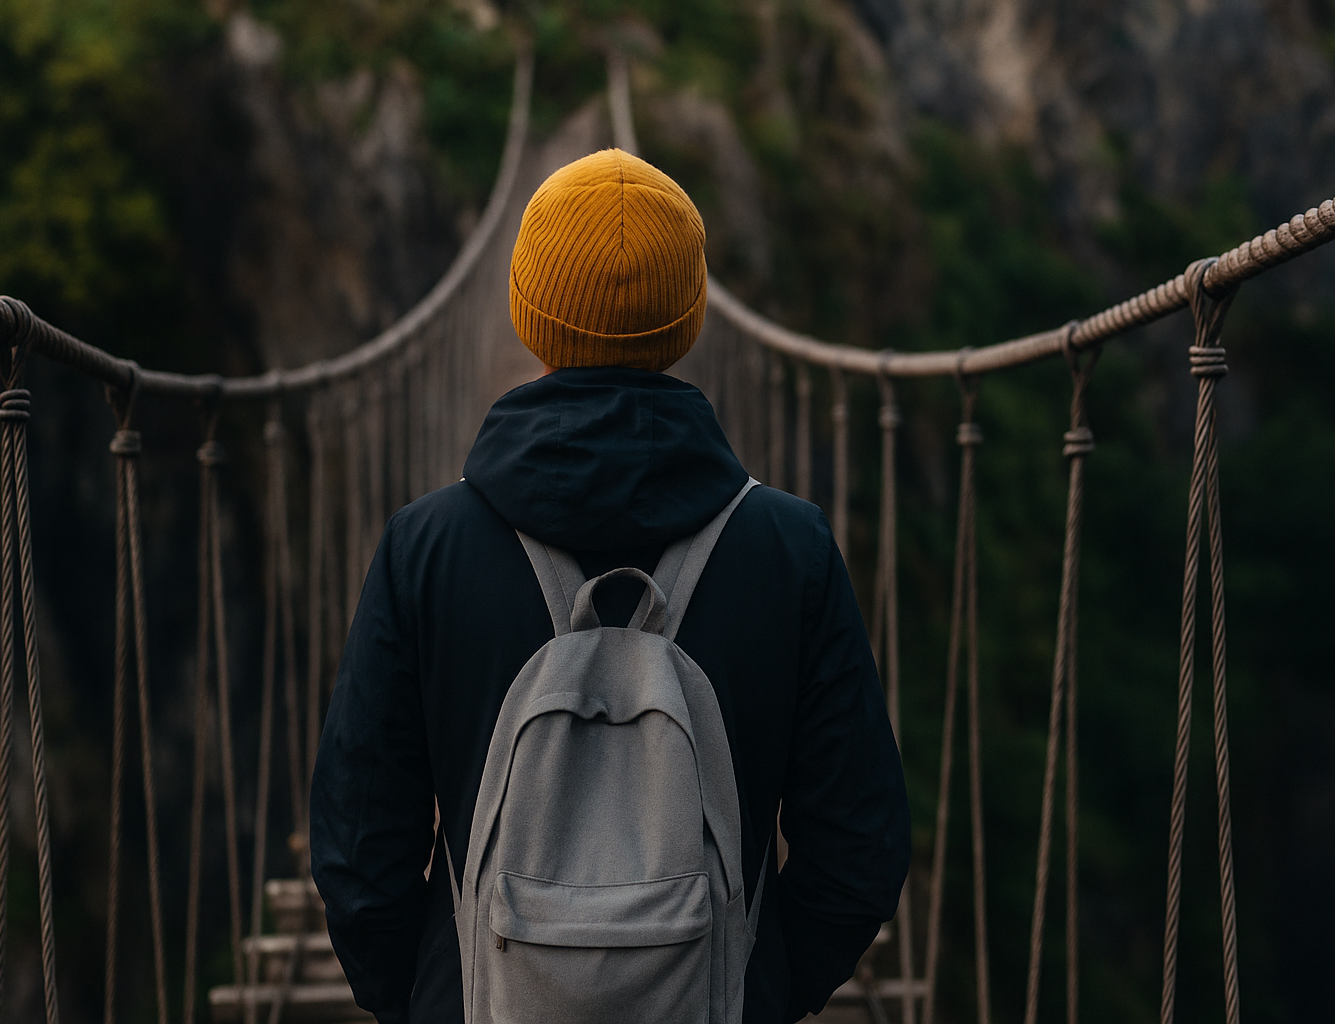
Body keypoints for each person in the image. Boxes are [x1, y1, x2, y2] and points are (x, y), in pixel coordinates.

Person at [310, 148, 910, 1024]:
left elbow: (359, 853)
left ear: (526, 308)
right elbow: (859, 853)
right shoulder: (791, 548)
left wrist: (432, 997)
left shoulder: (425, 548)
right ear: (691, 315)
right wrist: (757, 990)